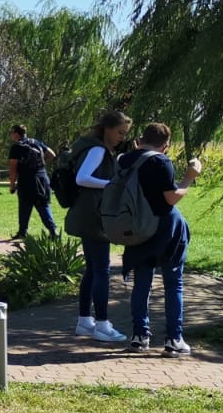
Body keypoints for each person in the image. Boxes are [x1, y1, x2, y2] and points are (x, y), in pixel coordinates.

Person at [119, 121, 203, 355]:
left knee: (141, 284)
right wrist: (189, 177)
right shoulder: (160, 161)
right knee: (173, 282)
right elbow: (170, 198)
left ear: (141, 140)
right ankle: (174, 340)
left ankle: (139, 336)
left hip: (137, 229)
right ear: (165, 146)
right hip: (165, 230)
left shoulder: (125, 161)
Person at [61, 109, 132, 344]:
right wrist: (112, 184)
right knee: (101, 269)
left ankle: (84, 321)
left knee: (92, 269)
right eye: (120, 132)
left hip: (86, 214)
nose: (123, 136)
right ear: (107, 129)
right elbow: (82, 178)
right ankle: (102, 324)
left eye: (125, 133)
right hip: (93, 216)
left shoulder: (95, 148)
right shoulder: (97, 149)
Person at [8, 123, 59, 240]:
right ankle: (53, 231)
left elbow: (13, 168)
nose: (11, 135)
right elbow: (52, 154)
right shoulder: (36, 142)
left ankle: (22, 232)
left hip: (26, 180)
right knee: (43, 204)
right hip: (42, 177)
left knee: (24, 205)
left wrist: (12, 185)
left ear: (16, 134)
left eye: (11, 133)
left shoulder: (16, 147)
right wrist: (41, 164)